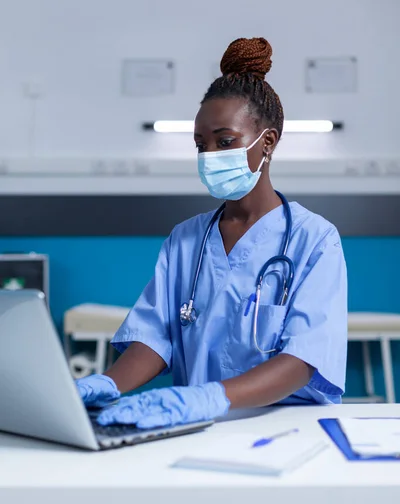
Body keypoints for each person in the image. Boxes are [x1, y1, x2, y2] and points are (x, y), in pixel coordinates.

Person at [77, 37, 347, 429]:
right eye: (201, 145)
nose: (210, 157)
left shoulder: (314, 240)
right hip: (195, 428)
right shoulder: (186, 240)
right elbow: (154, 338)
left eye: (225, 141)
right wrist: (105, 384)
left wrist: (210, 396)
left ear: (266, 142)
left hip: (282, 431)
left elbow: (304, 360)